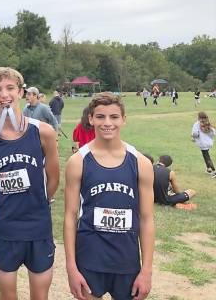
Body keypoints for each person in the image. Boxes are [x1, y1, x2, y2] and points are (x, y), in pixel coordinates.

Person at [0, 67, 59, 300]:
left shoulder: (43, 131)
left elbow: (53, 178)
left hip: (38, 226)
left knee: (40, 295)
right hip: (6, 229)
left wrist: (39, 203)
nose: (4, 94)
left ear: (21, 92)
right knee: (7, 295)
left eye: (10, 88)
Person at [64, 92, 154, 300]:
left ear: (123, 119)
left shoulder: (140, 163)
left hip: (126, 260)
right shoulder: (78, 161)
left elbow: (147, 219)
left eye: (114, 117)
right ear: (91, 119)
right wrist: (71, 267)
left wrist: (146, 270)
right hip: (90, 258)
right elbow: (70, 215)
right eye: (100, 117)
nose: (107, 123)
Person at [191, 111, 215, 176]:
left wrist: (193, 137)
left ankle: (214, 171)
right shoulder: (208, 123)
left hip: (202, 143)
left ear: (199, 117)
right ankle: (208, 169)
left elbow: (195, 134)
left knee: (207, 157)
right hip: (209, 142)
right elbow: (213, 133)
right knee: (206, 156)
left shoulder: (197, 124)